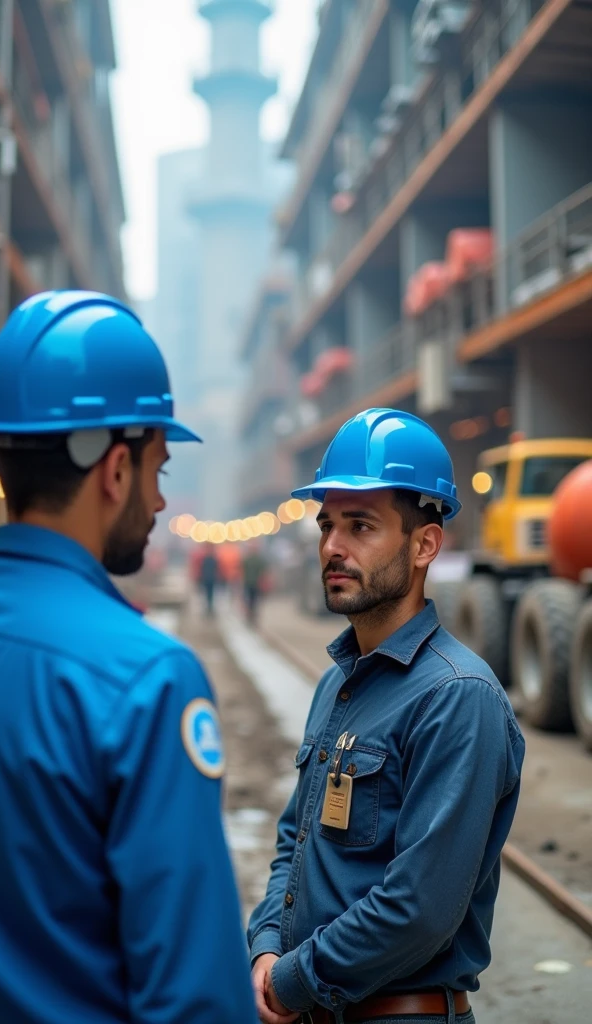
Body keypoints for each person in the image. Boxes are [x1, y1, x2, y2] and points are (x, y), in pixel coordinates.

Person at [0, 291, 255, 1024]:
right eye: (158, 469)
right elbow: (194, 997)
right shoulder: (148, 680)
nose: (160, 502)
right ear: (115, 469)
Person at [248, 408, 525, 1024]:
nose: (332, 547)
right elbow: (296, 840)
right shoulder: (337, 682)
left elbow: (419, 907)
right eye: (326, 526)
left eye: (361, 526)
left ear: (424, 544)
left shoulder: (457, 697)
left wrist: (293, 978)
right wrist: (266, 944)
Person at [242, 541, 268, 625]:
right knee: (252, 600)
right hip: (251, 582)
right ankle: (251, 614)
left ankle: (251, 614)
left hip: (253, 582)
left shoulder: (250, 559)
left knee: (252, 599)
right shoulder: (254, 559)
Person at [199, 542, 221, 616]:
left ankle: (210, 607)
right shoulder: (205, 558)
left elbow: (217, 569)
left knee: (211, 594)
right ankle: (208, 607)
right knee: (207, 594)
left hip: (211, 579)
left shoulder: (214, 558)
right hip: (206, 579)